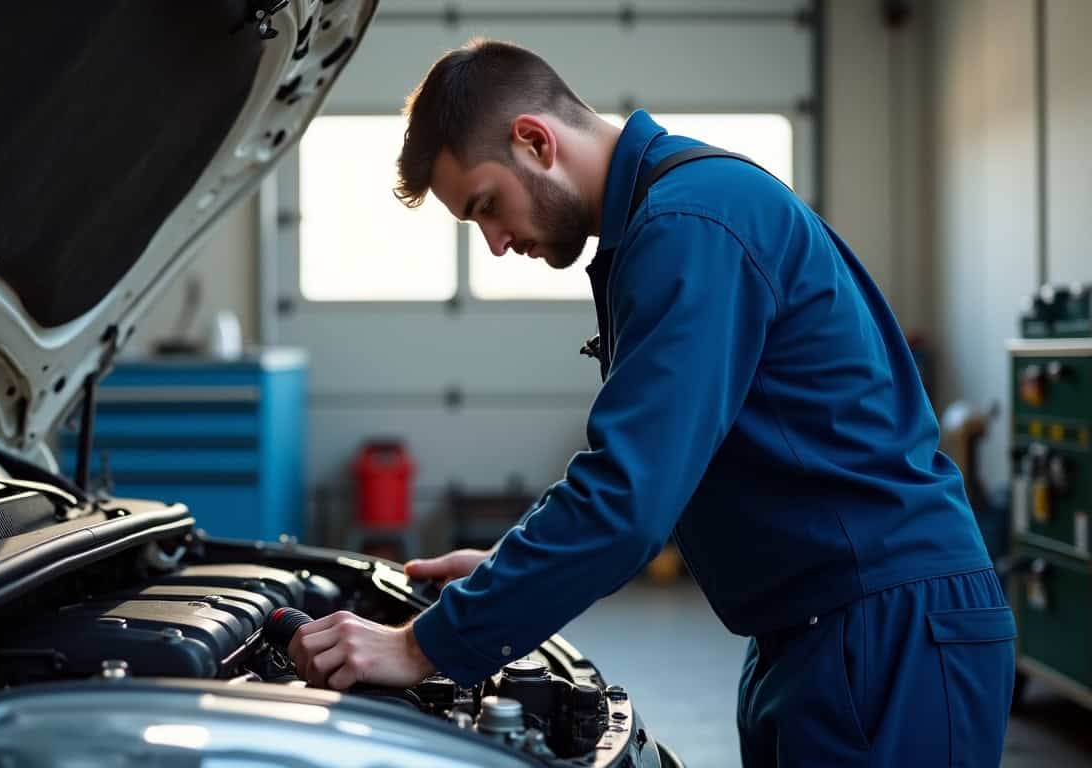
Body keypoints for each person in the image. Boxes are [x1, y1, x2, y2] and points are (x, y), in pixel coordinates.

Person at [287, 38, 1015, 766]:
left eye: (487, 206)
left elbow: (626, 498)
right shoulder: (677, 215)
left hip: (885, 632)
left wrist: (424, 646)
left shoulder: (688, 226)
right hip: (815, 633)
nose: (497, 244)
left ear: (535, 141)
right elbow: (646, 477)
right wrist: (510, 572)